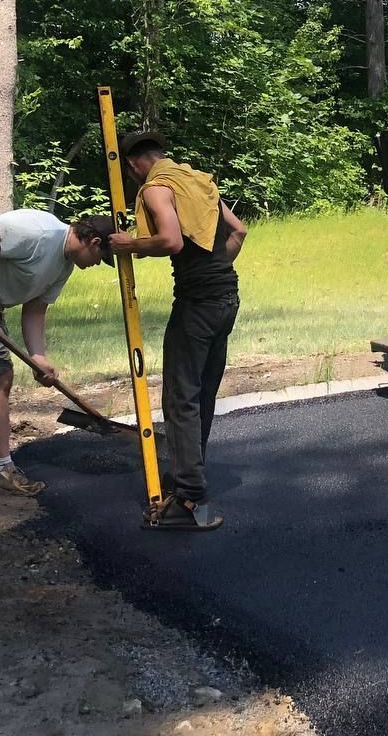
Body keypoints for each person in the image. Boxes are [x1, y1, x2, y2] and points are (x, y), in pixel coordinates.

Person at [109, 133, 246, 532]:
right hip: (226, 299)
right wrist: (214, 269)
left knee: (180, 397)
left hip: (198, 305)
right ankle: (191, 479)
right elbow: (239, 232)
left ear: (134, 165)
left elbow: (169, 240)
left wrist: (129, 244)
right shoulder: (197, 181)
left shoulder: (157, 188)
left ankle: (189, 498)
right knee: (202, 393)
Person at [0, 210, 115, 495]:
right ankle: (2, 469)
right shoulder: (40, 232)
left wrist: (38, 356)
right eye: (101, 258)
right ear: (93, 241)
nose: (96, 265)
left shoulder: (63, 266)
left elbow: (35, 309)